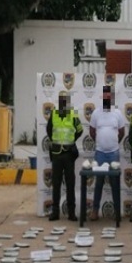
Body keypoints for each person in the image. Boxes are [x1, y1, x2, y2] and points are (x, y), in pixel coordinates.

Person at [89, 85, 125, 221]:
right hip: (100, 153)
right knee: (98, 183)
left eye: (109, 96)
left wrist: (113, 142)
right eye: (105, 96)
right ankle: (95, 211)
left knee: (115, 183)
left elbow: (122, 132)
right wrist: (100, 142)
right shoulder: (96, 113)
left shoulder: (118, 113)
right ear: (102, 97)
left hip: (113, 153)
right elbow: (92, 131)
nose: (107, 98)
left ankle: (117, 212)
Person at [46, 91, 83, 221]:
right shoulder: (54, 114)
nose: (63, 101)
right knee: (56, 184)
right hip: (56, 153)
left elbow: (80, 130)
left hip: (68, 154)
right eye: (61, 99)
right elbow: (49, 130)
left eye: (65, 99)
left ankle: (71, 212)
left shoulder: (73, 114)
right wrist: (56, 142)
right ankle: (55, 212)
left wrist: (71, 140)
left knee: (70, 184)